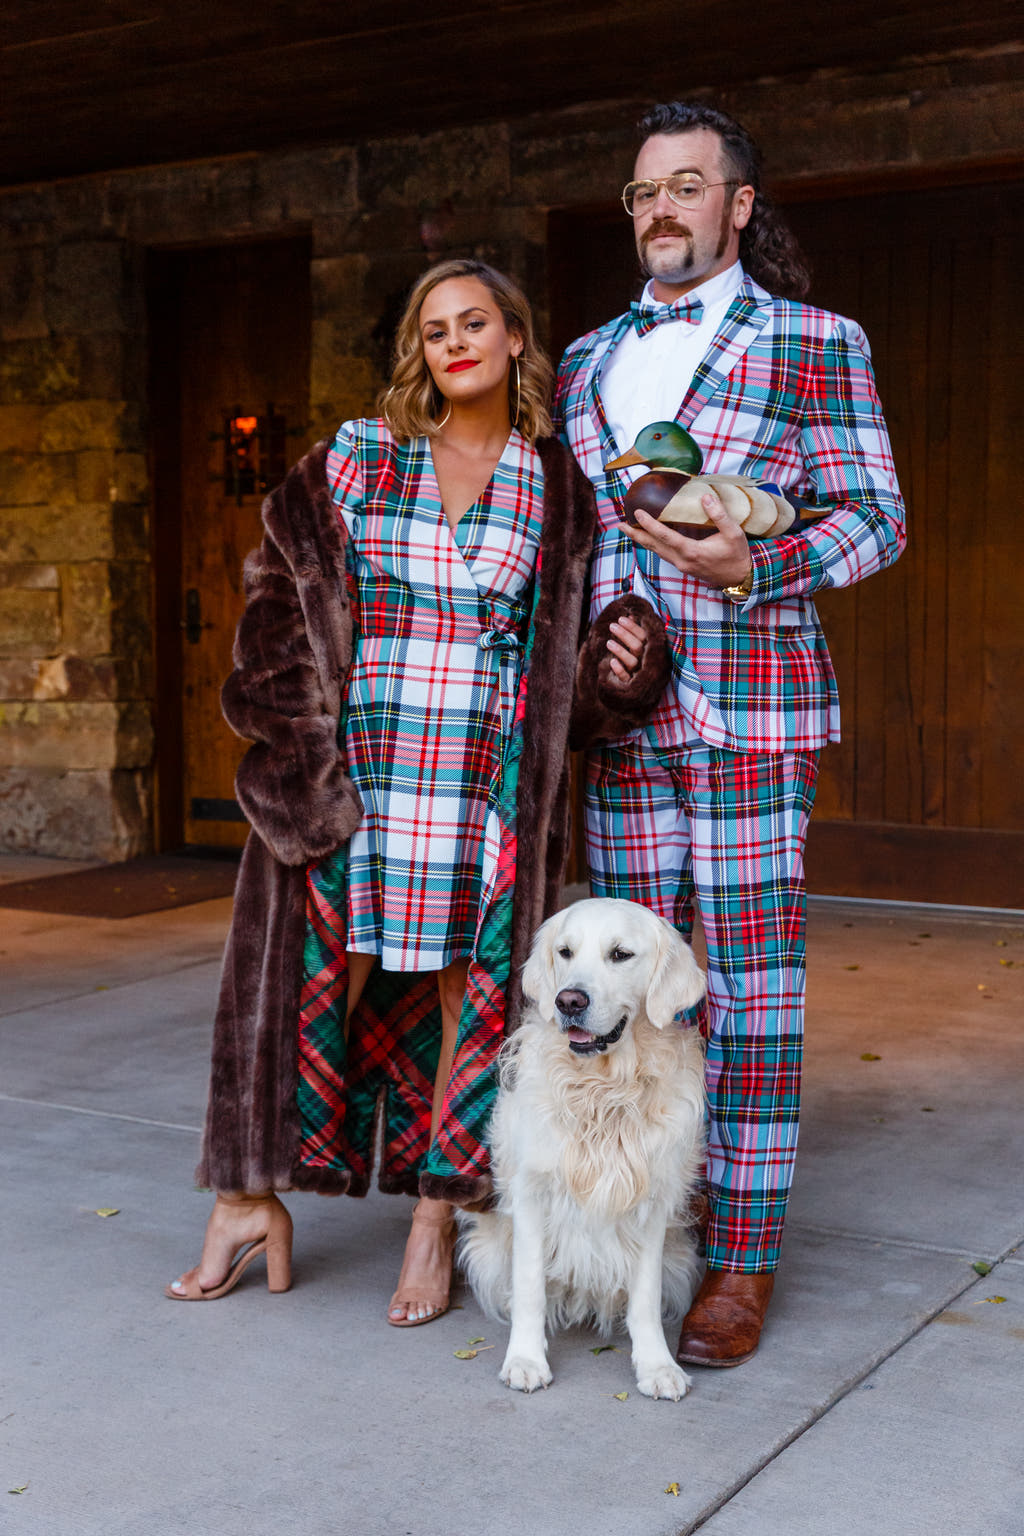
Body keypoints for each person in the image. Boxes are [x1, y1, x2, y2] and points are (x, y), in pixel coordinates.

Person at [166, 258, 666, 1324]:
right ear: (418, 351)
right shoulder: (355, 458)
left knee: (462, 998)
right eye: (433, 328)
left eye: (474, 321)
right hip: (357, 771)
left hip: (479, 782)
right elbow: (274, 612)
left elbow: (562, 677)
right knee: (312, 985)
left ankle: (435, 1219)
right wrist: (298, 770)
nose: (453, 342)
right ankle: (246, 1201)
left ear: (516, 338)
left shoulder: (560, 489)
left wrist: (621, 679)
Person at [553, 102, 906, 1366]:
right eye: (645, 191)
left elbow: (876, 519)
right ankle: (652, 1233)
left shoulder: (815, 341)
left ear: (738, 206)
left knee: (749, 1000)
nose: (663, 208)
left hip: (755, 718)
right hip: (626, 730)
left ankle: (739, 1265)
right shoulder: (584, 361)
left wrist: (755, 561)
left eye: (689, 186)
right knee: (629, 999)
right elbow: (580, 548)